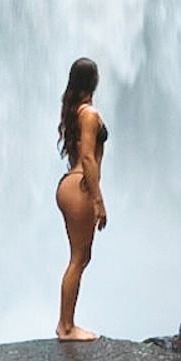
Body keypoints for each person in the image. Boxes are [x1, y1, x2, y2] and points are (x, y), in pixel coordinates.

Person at [56, 55, 108, 341]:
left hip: (70, 184)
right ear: (94, 81)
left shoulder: (73, 111)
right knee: (78, 258)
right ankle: (66, 326)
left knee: (80, 256)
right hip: (80, 186)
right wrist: (98, 200)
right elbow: (88, 157)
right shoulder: (88, 114)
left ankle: (66, 323)